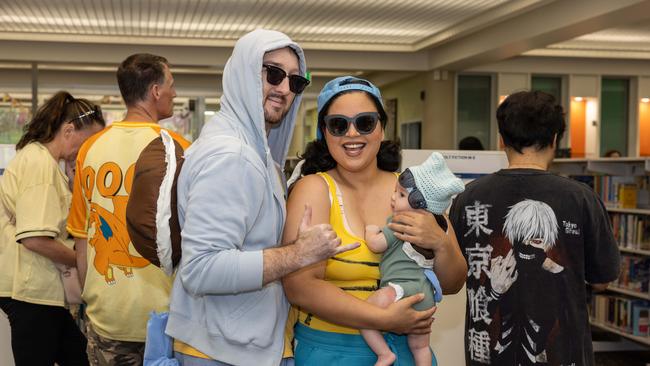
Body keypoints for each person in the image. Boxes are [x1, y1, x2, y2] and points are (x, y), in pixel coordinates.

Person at [165, 29, 356, 366]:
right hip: (221, 352)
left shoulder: (255, 152)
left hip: (236, 345)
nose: (284, 89)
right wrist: (298, 254)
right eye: (273, 73)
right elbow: (202, 268)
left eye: (296, 82)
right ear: (243, 72)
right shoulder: (232, 156)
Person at [282, 76, 468, 366]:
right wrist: (383, 318)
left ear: (382, 128)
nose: (352, 134)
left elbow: (454, 283)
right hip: (333, 352)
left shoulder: (410, 189)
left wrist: (440, 243)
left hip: (410, 351)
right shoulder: (314, 189)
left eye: (365, 122)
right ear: (324, 132)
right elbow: (300, 286)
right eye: (338, 125)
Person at [449, 90, 620, 366]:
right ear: (555, 139)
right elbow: (602, 279)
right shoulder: (581, 198)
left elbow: (452, 279)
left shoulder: (468, 199)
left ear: (501, 139)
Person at [66, 53, 190, 366]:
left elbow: (82, 238)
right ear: (156, 91)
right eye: (171, 85)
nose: (175, 93)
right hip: (168, 318)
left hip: (107, 316)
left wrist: (91, 299)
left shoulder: (90, 149)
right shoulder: (179, 149)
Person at [0, 91, 105, 365]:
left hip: (38, 291)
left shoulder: (42, 161)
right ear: (68, 130)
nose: (89, 149)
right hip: (32, 291)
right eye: (89, 140)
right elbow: (35, 238)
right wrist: (81, 261)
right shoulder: (40, 165)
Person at [363, 152, 465, 366]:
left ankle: (384, 353)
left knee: (366, 313)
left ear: (419, 205)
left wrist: (370, 231)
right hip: (425, 294)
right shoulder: (437, 225)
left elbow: (376, 244)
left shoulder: (400, 222)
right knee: (420, 347)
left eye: (400, 195)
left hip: (401, 289)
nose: (393, 198)